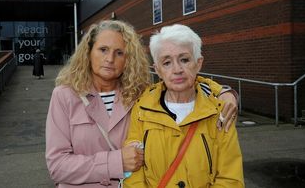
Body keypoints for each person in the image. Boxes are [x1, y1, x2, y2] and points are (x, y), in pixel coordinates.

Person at [45, 20, 238, 188]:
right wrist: (117, 161)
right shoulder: (64, 96)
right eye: (103, 50)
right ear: (88, 52)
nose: (110, 59)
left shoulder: (139, 94)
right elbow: (57, 166)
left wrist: (224, 92)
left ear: (128, 60)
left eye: (119, 53)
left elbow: (180, 80)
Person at [123, 24, 244, 188]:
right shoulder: (142, 108)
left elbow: (230, 179)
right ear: (157, 70)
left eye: (185, 60)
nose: (177, 69)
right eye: (167, 63)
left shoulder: (220, 111)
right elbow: (133, 173)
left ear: (198, 63)